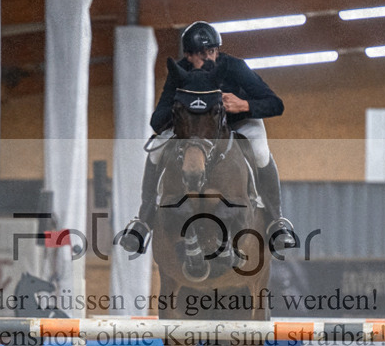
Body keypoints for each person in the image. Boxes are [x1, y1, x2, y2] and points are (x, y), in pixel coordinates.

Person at [120, 21, 294, 253]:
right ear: (188, 56)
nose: (208, 57)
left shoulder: (234, 67)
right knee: (157, 150)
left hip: (239, 121)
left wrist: (243, 104)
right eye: (201, 54)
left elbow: (275, 104)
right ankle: (143, 221)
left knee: (261, 152)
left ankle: (276, 221)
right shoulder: (180, 72)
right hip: (194, 129)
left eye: (212, 51)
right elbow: (157, 119)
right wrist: (181, 109)